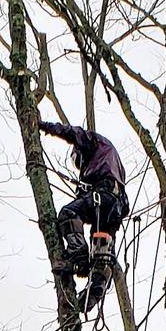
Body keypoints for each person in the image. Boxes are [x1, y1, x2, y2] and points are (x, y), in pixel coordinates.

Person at [39, 117, 129, 280]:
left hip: (104, 195)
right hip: (115, 207)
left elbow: (73, 133)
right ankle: (91, 294)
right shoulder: (113, 163)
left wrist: (44, 126)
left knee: (69, 214)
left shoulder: (93, 141)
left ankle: (78, 257)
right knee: (101, 256)